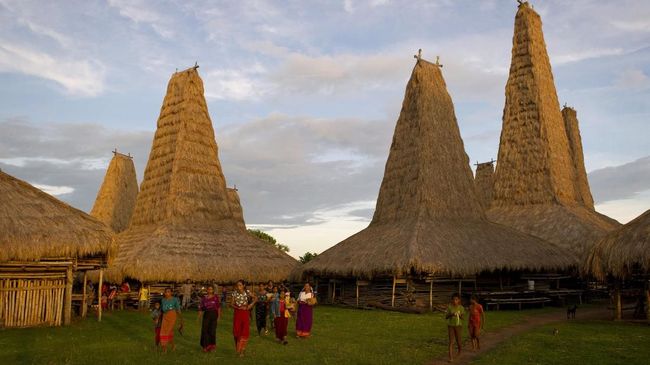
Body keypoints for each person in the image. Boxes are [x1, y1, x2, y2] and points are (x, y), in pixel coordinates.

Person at [230, 280, 256, 357]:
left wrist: (250, 306)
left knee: (244, 331)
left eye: (240, 285)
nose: (238, 287)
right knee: (236, 331)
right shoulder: (234, 293)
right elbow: (231, 304)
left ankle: (242, 351)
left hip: (245, 313)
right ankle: (238, 348)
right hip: (237, 313)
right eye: (237, 285)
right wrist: (237, 307)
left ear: (244, 285)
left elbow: (255, 298)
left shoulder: (247, 292)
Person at [198, 286, 221, 352]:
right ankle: (205, 346)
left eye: (211, 289)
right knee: (205, 331)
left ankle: (212, 347)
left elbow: (218, 307)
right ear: (207, 290)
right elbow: (201, 308)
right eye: (208, 289)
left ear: (213, 290)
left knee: (212, 331)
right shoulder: (204, 298)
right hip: (206, 315)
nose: (210, 290)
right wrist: (199, 316)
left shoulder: (215, 297)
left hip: (214, 315)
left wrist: (219, 316)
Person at [160, 287, 183, 353]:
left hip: (172, 316)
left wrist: (181, 320)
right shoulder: (163, 300)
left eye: (168, 292)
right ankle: (173, 346)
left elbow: (178, 310)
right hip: (165, 317)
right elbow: (162, 310)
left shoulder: (175, 300)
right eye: (166, 292)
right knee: (164, 332)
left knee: (167, 332)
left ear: (171, 293)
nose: (167, 293)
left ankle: (165, 349)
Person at [445, 293, 465, 362]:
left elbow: (463, 318)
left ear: (459, 300)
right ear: (451, 300)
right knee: (451, 342)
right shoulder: (449, 307)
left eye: (456, 299)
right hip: (451, 326)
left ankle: (459, 352)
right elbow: (446, 317)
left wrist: (459, 315)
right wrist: (451, 314)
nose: (454, 301)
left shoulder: (461, 308)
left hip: (458, 326)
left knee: (459, 342)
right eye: (453, 299)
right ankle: (451, 358)